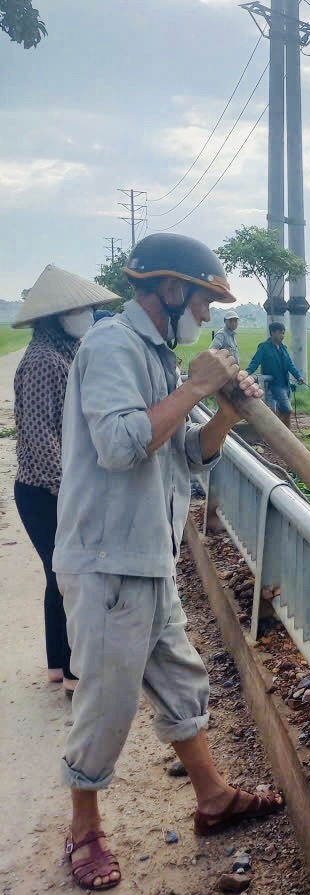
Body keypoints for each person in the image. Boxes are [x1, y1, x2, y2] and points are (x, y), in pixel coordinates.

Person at [53, 232, 283, 891]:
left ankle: (211, 798)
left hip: (149, 555)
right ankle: (84, 833)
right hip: (107, 561)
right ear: (170, 289)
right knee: (106, 701)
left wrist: (226, 415)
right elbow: (123, 443)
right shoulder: (110, 348)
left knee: (182, 682)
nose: (208, 316)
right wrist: (199, 385)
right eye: (205, 302)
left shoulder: (155, 355)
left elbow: (182, 449)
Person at [13, 265, 119, 696]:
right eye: (81, 308)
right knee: (71, 574)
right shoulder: (42, 360)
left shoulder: (66, 355)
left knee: (60, 573)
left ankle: (60, 664)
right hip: (44, 490)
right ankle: (74, 669)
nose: (88, 315)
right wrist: (70, 490)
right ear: (57, 315)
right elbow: (40, 436)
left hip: (54, 487)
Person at [246, 321, 303, 428]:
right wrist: (247, 372)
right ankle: (279, 430)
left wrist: (298, 376)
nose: (282, 336)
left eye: (283, 333)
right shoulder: (264, 347)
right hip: (275, 384)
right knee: (287, 409)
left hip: (286, 384)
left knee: (282, 411)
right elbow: (255, 361)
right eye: (280, 333)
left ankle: (286, 433)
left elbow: (290, 365)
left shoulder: (283, 348)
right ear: (272, 333)